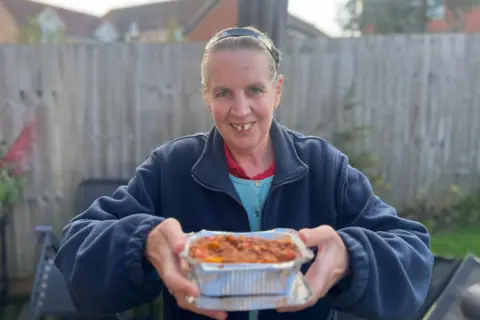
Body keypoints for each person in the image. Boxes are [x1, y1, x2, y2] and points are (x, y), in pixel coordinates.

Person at [55, 27, 434, 320]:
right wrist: (142, 243)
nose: (241, 110)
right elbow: (76, 249)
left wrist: (351, 256)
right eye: (223, 93)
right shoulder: (170, 167)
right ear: (206, 95)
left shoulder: (323, 166)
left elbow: (413, 253)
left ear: (277, 91)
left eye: (255, 89)